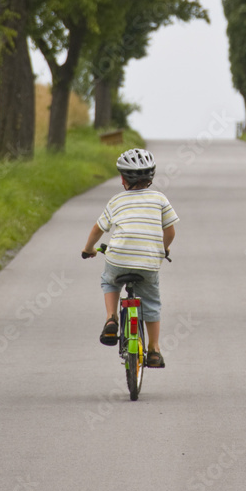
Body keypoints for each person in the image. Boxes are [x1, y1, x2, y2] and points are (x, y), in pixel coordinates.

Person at [81, 148, 177, 368]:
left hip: (118, 259)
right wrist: (163, 249)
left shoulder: (116, 201)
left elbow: (98, 229)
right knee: (151, 303)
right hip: (149, 263)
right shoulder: (160, 199)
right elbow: (170, 233)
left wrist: (89, 249)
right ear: (151, 177)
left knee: (109, 280)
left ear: (122, 178)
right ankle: (153, 350)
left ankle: (111, 318)